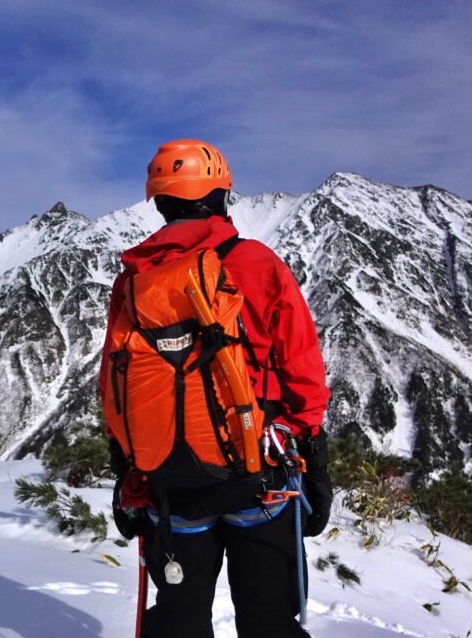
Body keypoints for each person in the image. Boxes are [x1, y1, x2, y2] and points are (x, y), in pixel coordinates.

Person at [99, 139, 332, 638]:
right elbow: (302, 368)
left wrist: (129, 468)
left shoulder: (135, 280)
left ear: (160, 203)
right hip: (260, 474)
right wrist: (312, 448)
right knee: (270, 621)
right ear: (222, 196)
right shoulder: (256, 264)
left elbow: (114, 383)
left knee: (179, 619)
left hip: (171, 482)